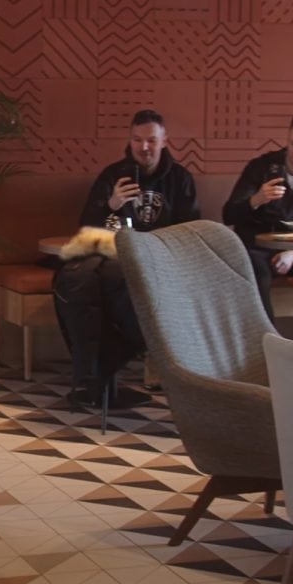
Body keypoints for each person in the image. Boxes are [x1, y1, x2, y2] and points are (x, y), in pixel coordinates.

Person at [52, 109, 200, 405]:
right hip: (111, 254)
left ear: (164, 141)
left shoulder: (180, 179)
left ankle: (102, 371)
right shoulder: (113, 175)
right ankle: (90, 377)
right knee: (74, 279)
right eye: (137, 140)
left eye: (151, 141)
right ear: (129, 140)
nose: (144, 147)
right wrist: (112, 203)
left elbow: (191, 230)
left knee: (116, 283)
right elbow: (87, 227)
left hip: (158, 261)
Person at [222, 112, 293, 320]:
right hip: (258, 248)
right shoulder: (261, 168)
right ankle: (268, 343)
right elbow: (228, 215)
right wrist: (256, 199)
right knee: (258, 274)